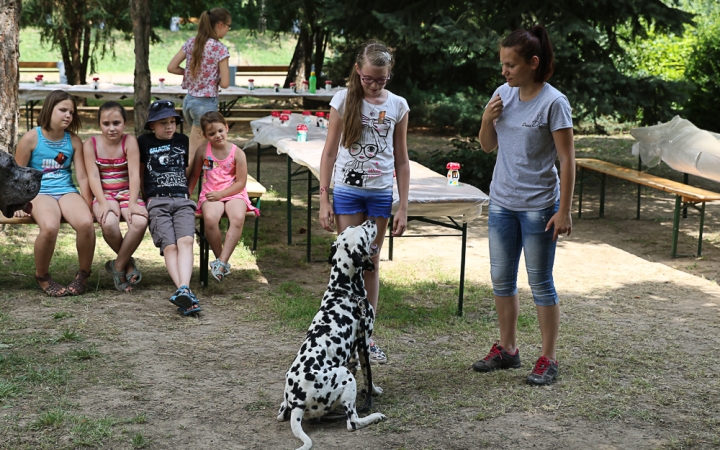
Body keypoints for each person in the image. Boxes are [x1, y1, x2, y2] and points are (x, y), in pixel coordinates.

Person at [474, 25, 575, 385]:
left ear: (533, 63)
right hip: (502, 202)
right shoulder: (503, 94)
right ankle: (508, 349)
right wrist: (487, 119)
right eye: (503, 63)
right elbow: (487, 145)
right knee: (501, 279)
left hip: (539, 208)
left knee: (540, 282)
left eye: (511, 65)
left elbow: (567, 160)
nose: (504, 71)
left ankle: (548, 358)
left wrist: (563, 210)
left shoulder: (554, 103)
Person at [318, 40, 410, 364]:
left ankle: (366, 338)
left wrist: (403, 205)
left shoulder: (398, 105)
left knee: (371, 262)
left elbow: (401, 159)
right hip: (347, 191)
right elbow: (329, 151)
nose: (373, 84)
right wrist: (323, 198)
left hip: (381, 193)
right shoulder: (343, 100)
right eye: (368, 78)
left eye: (381, 80)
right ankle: (345, 335)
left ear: (389, 75)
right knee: (350, 262)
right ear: (358, 70)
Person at [13, 90, 96, 296]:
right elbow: (16, 176)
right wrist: (18, 205)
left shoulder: (74, 141)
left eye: (71, 112)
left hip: (66, 191)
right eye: (63, 110)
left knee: (86, 223)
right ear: (50, 109)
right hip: (39, 193)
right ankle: (42, 276)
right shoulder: (32, 138)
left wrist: (88, 204)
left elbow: (83, 177)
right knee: (50, 227)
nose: (68, 115)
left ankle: (83, 275)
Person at [138, 100, 201, 315]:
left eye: (173, 121)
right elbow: (140, 173)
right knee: (170, 246)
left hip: (182, 200)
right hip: (157, 201)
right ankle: (183, 290)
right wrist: (146, 198)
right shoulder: (143, 142)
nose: (169, 127)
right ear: (152, 125)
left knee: (186, 241)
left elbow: (185, 171)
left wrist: (186, 193)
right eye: (163, 122)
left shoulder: (182, 140)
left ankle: (184, 289)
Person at [82, 102, 148, 293]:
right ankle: (128, 265)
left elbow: (135, 174)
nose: (111, 128)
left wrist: (134, 203)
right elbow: (93, 176)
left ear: (124, 124)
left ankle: (117, 266)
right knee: (109, 223)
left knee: (140, 222)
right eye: (106, 123)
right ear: (99, 125)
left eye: (116, 123)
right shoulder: (91, 144)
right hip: (105, 194)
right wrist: (101, 202)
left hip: (128, 192)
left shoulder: (129, 142)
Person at [188, 111, 259, 281]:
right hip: (211, 193)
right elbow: (194, 176)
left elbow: (241, 183)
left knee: (237, 217)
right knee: (210, 219)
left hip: (233, 192)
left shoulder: (238, 153)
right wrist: (186, 196)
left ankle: (221, 262)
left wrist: (222, 194)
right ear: (205, 135)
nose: (217, 136)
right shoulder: (203, 151)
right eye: (212, 133)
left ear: (226, 128)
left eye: (220, 131)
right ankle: (221, 261)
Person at [167, 7, 232, 168]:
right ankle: (182, 191)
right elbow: (225, 83)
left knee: (206, 149)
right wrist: (210, 78)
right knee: (193, 154)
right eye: (229, 26)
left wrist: (190, 74)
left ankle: (207, 185)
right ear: (220, 24)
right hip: (206, 105)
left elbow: (172, 67)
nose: (229, 29)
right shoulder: (220, 49)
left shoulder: (191, 42)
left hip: (189, 102)